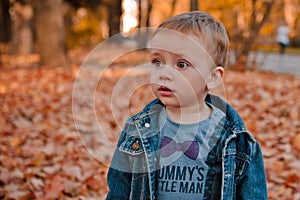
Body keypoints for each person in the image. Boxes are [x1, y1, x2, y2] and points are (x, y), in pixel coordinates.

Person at [106, 11, 268, 200]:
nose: (164, 73)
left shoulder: (235, 140)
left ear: (213, 78)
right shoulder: (137, 130)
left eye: (181, 65)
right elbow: (119, 190)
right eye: (157, 62)